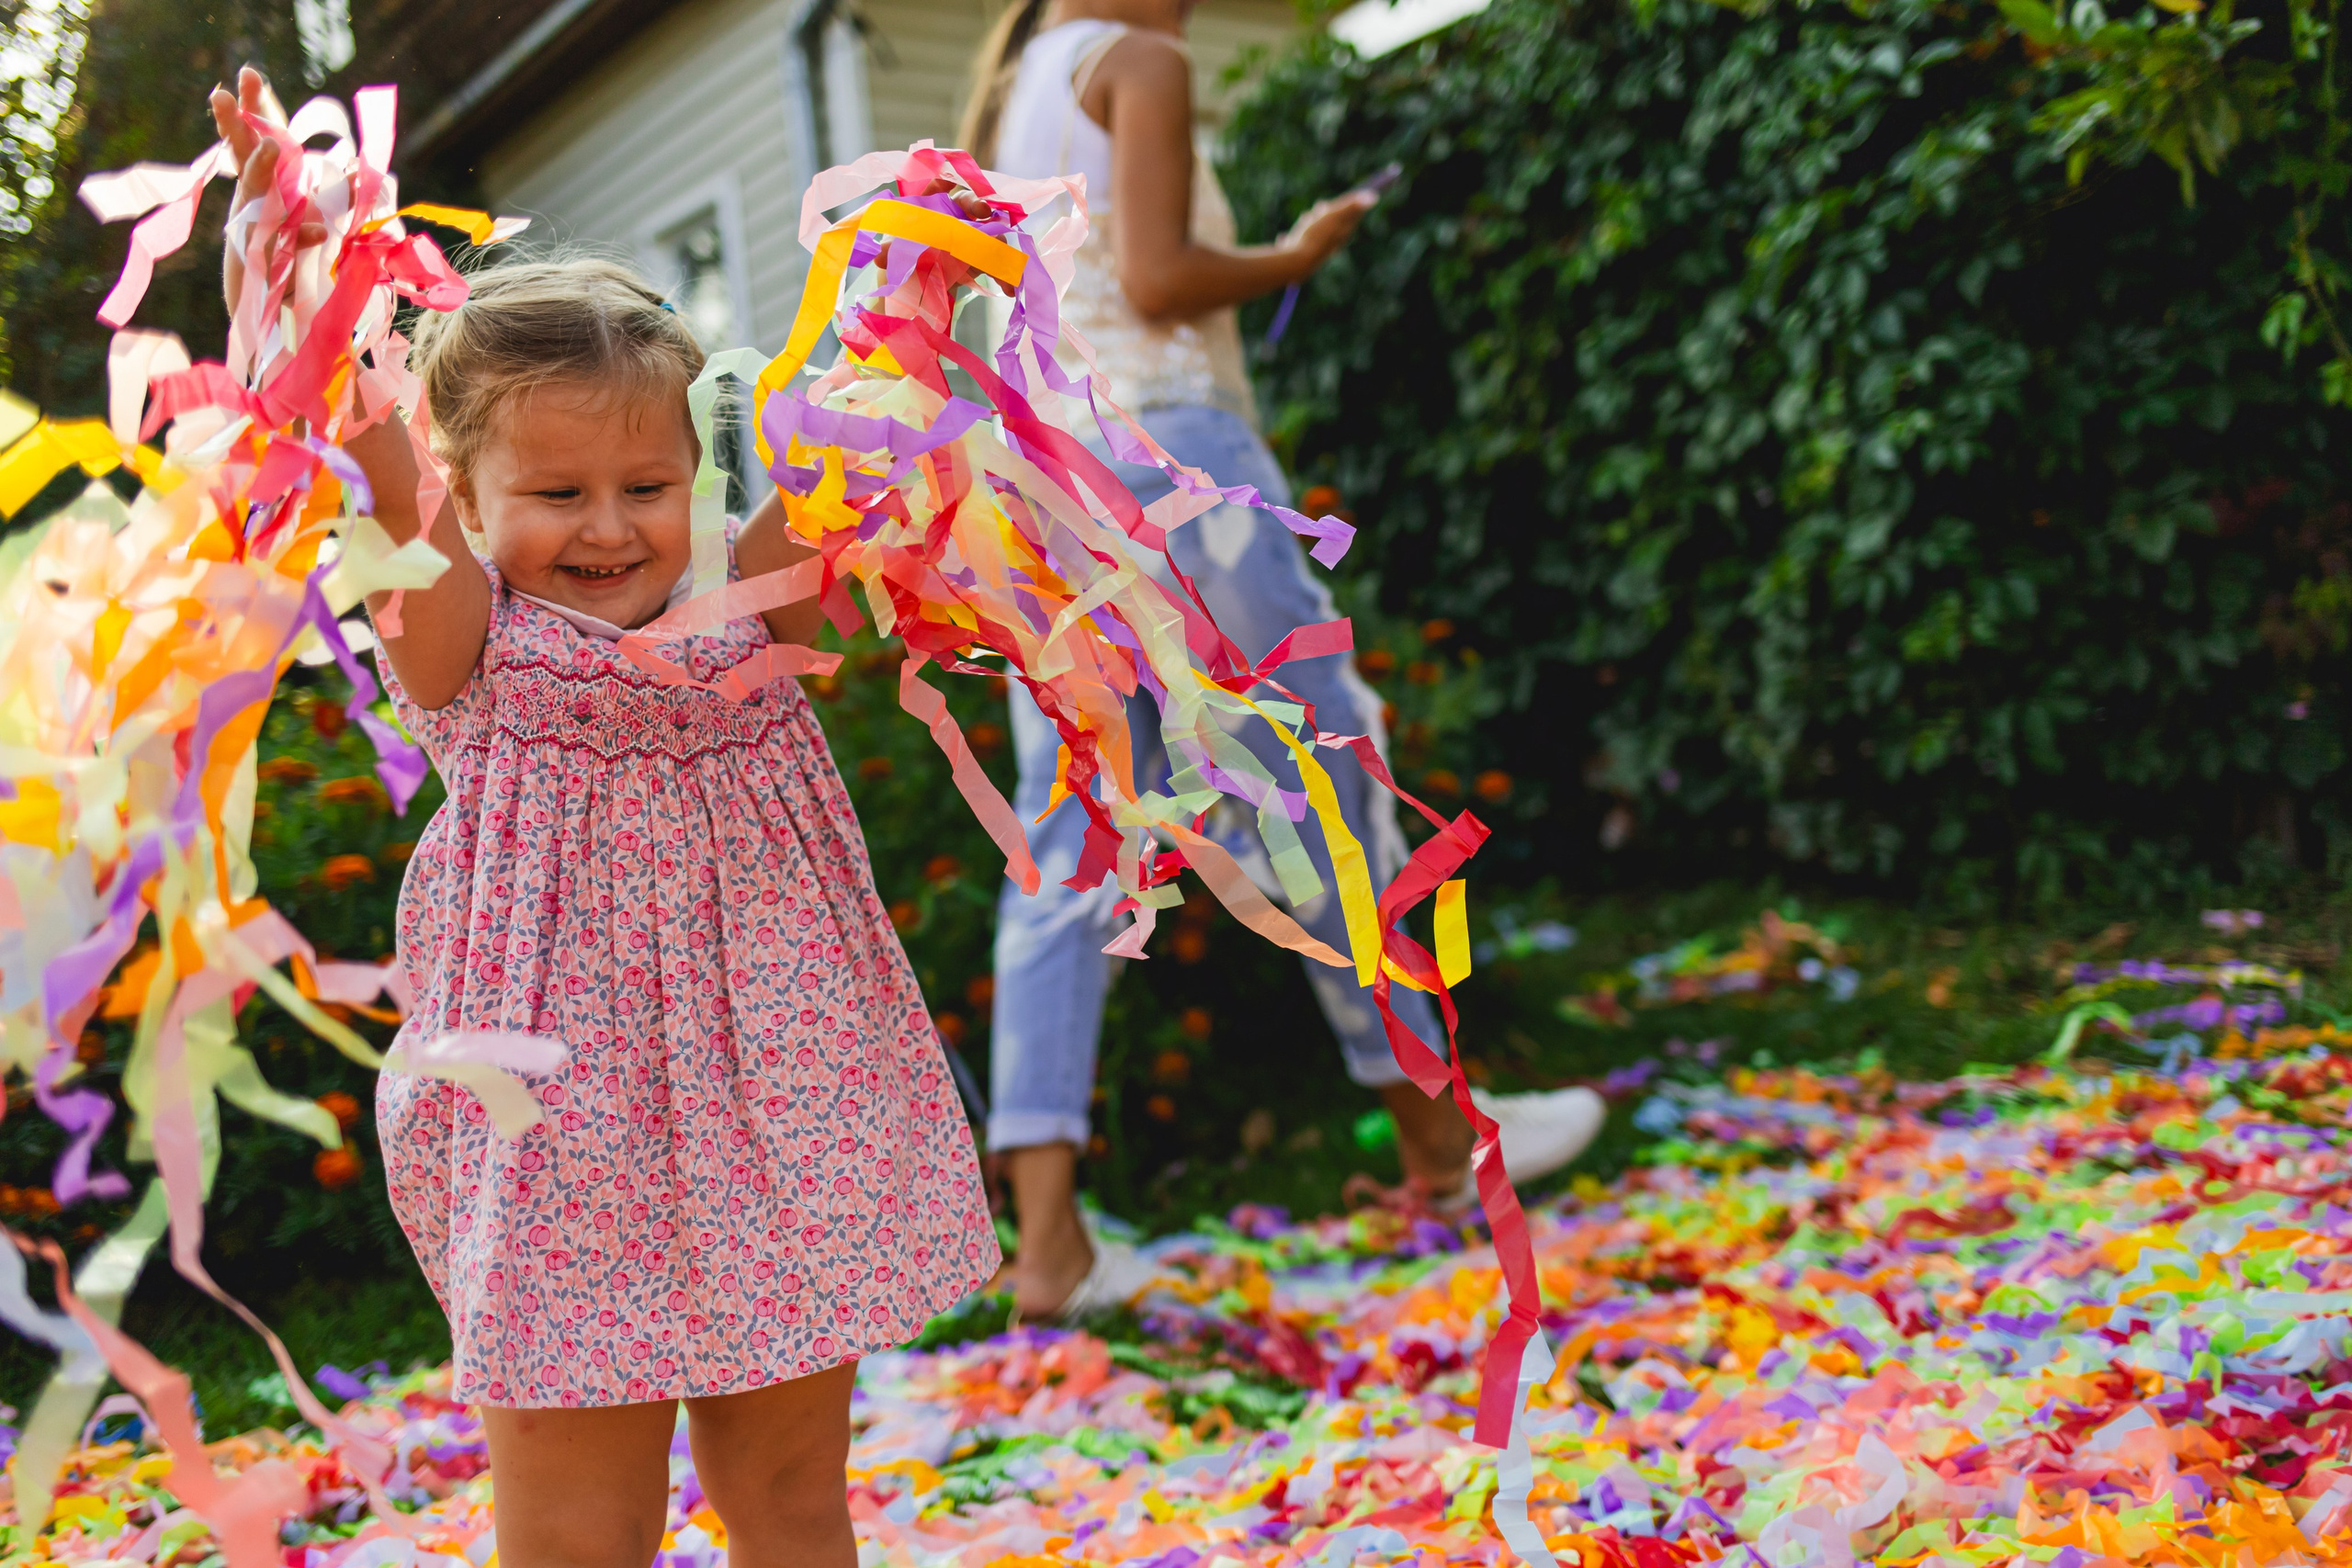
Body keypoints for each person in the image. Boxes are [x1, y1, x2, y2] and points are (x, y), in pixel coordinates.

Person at [211, 69, 995, 1568]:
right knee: (578, 1531)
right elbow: (377, 461)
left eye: (649, 482)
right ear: (470, 489)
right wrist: (295, 254)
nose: (612, 524)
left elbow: (862, 436)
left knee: (789, 1503)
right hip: (559, 1145)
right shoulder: (470, 644)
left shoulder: (753, 623)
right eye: (557, 490)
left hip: (785, 1117)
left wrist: (929, 286)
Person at [960, 0, 1607, 1322]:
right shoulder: (1137, 60)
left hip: (1053, 492)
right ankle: (1440, 1141)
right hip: (1177, 465)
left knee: (1069, 844)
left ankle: (1046, 1244)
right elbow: (1158, 281)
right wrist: (1297, 250)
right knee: (1322, 787)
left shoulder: (1021, 80)